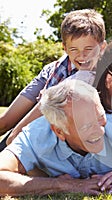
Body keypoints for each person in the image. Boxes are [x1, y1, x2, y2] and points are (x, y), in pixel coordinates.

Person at [0, 9, 106, 147]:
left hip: (62, 92)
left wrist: (15, 136)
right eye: (74, 49)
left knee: (17, 137)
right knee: (5, 122)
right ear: (65, 48)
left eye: (89, 49)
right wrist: (14, 135)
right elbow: (43, 104)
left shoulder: (99, 73)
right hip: (48, 78)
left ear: (102, 47)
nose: (82, 56)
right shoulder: (61, 67)